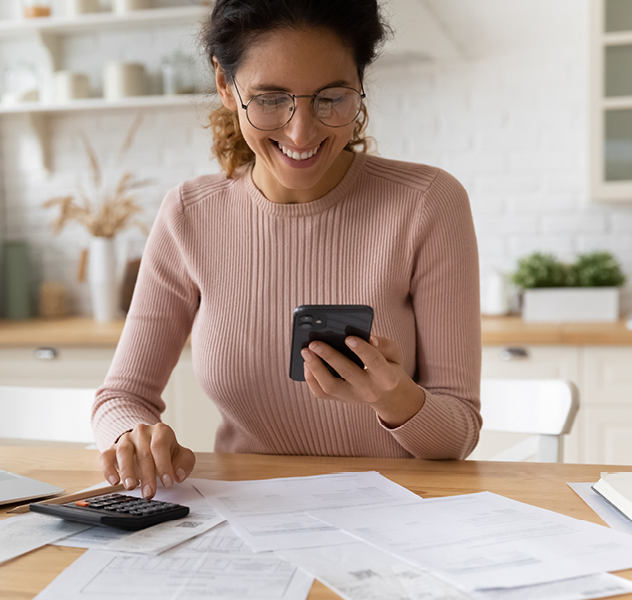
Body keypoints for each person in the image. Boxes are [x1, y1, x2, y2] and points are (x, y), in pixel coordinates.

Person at [93, 0, 481, 499]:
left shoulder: (426, 203)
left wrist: (396, 397)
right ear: (224, 86)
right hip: (247, 515)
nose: (302, 132)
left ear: (360, 83)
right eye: (271, 98)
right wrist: (132, 435)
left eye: (331, 97)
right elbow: (121, 397)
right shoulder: (189, 215)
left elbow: (459, 433)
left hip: (397, 514)